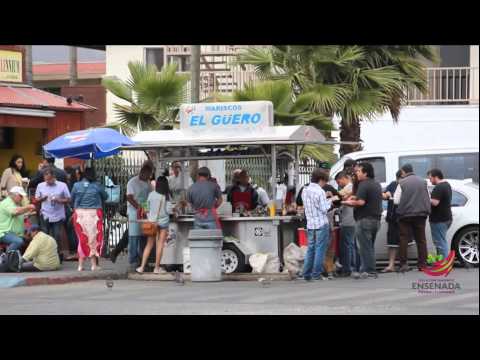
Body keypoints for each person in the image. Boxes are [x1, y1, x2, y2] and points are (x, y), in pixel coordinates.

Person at [342, 162, 383, 279]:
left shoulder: (363, 184)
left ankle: (370, 271)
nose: (356, 173)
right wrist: (353, 197)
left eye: (359, 171)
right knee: (369, 246)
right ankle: (366, 269)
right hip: (376, 220)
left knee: (365, 247)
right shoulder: (376, 184)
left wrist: (347, 202)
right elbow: (364, 198)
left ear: (365, 173)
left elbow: (361, 202)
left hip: (365, 220)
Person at [393, 163, 431, 272]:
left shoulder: (402, 182)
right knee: (421, 240)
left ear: (403, 172)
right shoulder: (423, 182)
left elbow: (396, 200)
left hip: (405, 215)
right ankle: (423, 264)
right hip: (421, 214)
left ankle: (404, 264)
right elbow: (428, 197)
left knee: (403, 238)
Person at [71, 167, 108, 272]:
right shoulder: (97, 186)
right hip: (94, 214)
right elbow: (105, 196)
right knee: (93, 239)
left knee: (82, 239)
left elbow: (71, 198)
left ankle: (80, 265)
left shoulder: (76, 185)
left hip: (79, 215)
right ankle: (93, 265)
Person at [301, 169, 333, 281]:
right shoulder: (320, 192)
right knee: (320, 249)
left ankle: (306, 273)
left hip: (310, 224)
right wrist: (330, 201)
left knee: (311, 249)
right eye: (324, 182)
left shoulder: (304, 190)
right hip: (321, 223)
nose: (325, 184)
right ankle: (316, 274)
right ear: (321, 180)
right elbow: (324, 209)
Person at [136, 176, 171, 274]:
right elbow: (168, 210)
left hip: (152, 223)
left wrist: (150, 216)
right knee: (160, 244)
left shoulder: (151, 194)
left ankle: (142, 267)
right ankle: (156, 268)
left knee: (149, 244)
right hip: (163, 223)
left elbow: (146, 208)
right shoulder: (167, 195)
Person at [35, 168, 71, 258]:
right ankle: (45, 255)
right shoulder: (40, 185)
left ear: (53, 177)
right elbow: (36, 199)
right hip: (45, 214)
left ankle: (56, 255)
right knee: (45, 235)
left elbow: (69, 199)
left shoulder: (62, 185)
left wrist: (60, 200)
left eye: (49, 179)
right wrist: (42, 199)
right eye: (45, 179)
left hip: (58, 215)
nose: (47, 181)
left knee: (57, 235)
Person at [126, 161, 154, 270]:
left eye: (149, 175)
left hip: (144, 211)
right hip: (133, 212)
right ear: (142, 172)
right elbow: (129, 197)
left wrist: (146, 211)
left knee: (143, 235)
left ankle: (142, 259)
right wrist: (139, 208)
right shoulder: (132, 182)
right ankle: (133, 259)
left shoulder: (148, 184)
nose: (148, 176)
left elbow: (150, 197)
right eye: (147, 174)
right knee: (134, 235)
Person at [335, 171, 357, 277]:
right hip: (352, 220)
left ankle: (348, 268)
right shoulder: (353, 187)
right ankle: (352, 267)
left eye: (339, 182)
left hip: (348, 220)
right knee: (351, 245)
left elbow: (337, 197)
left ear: (343, 178)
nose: (339, 184)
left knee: (347, 245)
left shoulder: (349, 188)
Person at [381, 170, 404, 273]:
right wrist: (386, 194)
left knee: (404, 242)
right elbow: (384, 195)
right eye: (403, 178)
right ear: (398, 178)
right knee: (392, 243)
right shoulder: (393, 185)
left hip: (404, 218)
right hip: (392, 218)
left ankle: (403, 264)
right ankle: (391, 265)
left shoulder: (407, 185)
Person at [0, 187, 36, 251]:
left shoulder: (14, 203)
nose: (22, 198)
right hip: (3, 232)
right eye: (20, 196)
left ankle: (18, 257)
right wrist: (28, 207)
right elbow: (15, 212)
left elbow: (19, 213)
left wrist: (28, 213)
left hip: (12, 232)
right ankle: (7, 258)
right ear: (14, 195)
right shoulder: (7, 202)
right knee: (18, 241)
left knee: (31, 237)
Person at [427, 168, 452, 260]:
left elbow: (435, 202)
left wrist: (426, 197)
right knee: (440, 241)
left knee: (440, 242)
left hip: (439, 219)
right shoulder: (447, 185)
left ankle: (444, 263)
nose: (430, 180)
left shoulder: (439, 187)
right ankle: (440, 261)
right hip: (446, 218)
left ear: (436, 177)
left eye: (430, 178)